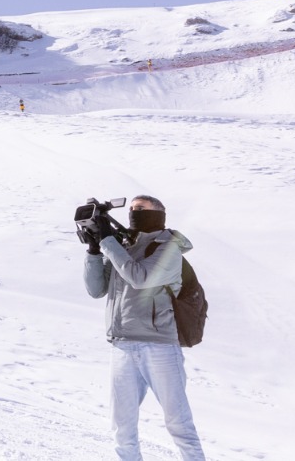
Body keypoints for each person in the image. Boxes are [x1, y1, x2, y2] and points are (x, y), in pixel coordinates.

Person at [82, 194, 206, 461]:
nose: (134, 213)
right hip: (122, 344)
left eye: (142, 209)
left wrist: (107, 241)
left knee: (178, 423)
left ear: (160, 214)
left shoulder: (169, 247)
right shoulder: (123, 246)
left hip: (158, 345)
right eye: (132, 209)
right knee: (122, 426)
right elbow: (96, 289)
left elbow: (141, 277)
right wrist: (94, 251)